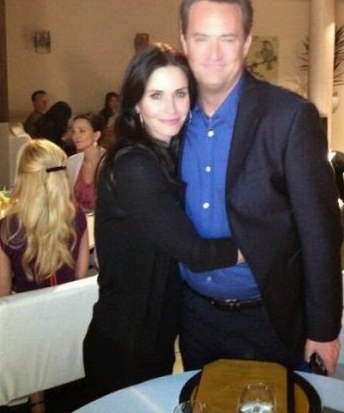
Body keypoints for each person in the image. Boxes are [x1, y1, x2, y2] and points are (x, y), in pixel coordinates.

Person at [178, 0, 343, 374]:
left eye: (227, 38)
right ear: (184, 43)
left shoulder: (288, 117)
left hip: (269, 319)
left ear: (247, 43)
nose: (213, 53)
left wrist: (323, 329)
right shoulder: (171, 119)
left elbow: (320, 231)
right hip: (193, 318)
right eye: (201, 38)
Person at [83, 43, 241, 400]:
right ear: (135, 103)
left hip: (154, 337)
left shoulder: (166, 153)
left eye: (180, 94)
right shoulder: (134, 164)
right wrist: (264, 244)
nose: (172, 108)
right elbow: (196, 253)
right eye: (156, 95)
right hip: (125, 345)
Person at [0, 139, 89, 413]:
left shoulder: (5, 229)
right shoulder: (78, 218)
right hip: (71, 329)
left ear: (24, 177)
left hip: (30, 339)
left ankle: (36, 400)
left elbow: (2, 298)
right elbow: (79, 278)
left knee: (25, 316)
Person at [67, 113, 105, 213]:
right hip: (78, 220)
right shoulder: (72, 162)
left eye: (82, 131)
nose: (76, 136)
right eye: (73, 131)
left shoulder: (109, 161)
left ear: (96, 135)